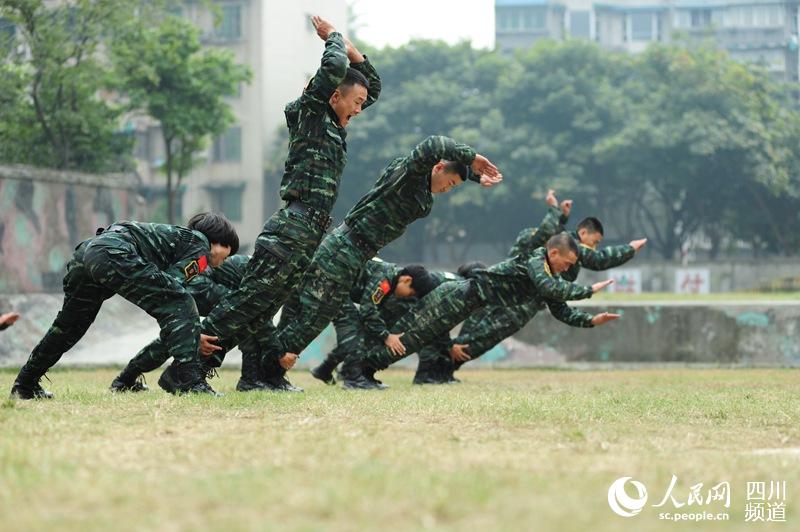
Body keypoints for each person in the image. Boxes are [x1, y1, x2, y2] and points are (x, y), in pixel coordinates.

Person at [159, 15, 381, 393]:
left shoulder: (334, 122)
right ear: (332, 95)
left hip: (309, 232)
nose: (360, 109)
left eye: (361, 104)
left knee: (264, 306)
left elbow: (369, 86)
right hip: (292, 227)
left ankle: (257, 377)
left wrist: (355, 53)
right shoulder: (310, 113)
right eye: (355, 103)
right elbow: (333, 68)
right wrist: (334, 39)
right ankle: (184, 370)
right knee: (250, 300)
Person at [255, 135, 502, 391]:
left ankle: (267, 374)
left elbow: (446, 167)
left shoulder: (422, 190)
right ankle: (265, 373)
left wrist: (473, 175)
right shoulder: (408, 174)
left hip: (356, 253)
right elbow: (434, 144)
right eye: (449, 183)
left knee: (310, 315)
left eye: (453, 187)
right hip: (344, 248)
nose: (446, 189)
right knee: (313, 315)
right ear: (438, 167)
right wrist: (471, 157)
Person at [340, 233, 620, 389]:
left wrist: (591, 321)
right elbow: (552, 287)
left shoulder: (547, 277)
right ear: (554, 253)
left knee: (415, 338)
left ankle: (364, 371)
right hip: (458, 296)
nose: (568, 269)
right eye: (568, 263)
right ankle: (358, 372)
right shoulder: (535, 261)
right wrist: (588, 290)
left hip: (465, 303)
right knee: (410, 337)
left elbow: (560, 308)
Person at [10, 213, 238, 399]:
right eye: (228, 255)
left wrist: (188, 333)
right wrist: (191, 334)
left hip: (89, 252)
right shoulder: (200, 245)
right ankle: (187, 380)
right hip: (115, 251)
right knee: (181, 300)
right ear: (220, 242)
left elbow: (163, 293)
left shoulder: (177, 239)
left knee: (69, 326)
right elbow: (173, 294)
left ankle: (25, 384)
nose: (223, 262)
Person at [109, 253, 272, 393]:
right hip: (198, 284)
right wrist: (279, 351)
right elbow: (253, 313)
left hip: (196, 284)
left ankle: (125, 379)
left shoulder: (267, 268)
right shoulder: (264, 271)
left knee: (174, 338)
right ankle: (247, 379)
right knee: (240, 316)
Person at [308, 258, 436, 386]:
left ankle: (325, 369)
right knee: (353, 330)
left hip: (339, 290)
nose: (408, 296)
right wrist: (386, 336)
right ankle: (353, 379)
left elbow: (372, 315)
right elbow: (367, 310)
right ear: (407, 280)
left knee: (357, 333)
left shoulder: (391, 283)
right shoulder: (384, 280)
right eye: (411, 293)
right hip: (333, 288)